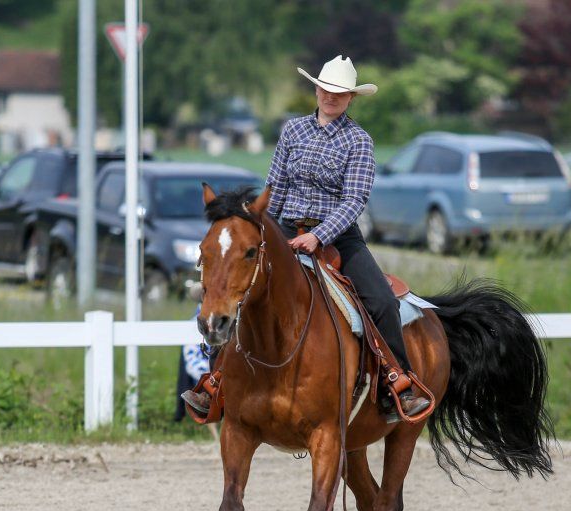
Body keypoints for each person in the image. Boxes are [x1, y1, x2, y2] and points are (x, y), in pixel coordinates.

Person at [183, 55, 430, 422]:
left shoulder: (359, 141)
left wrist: (318, 235)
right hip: (284, 228)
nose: (330, 97)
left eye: (339, 93)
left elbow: (354, 200)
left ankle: (396, 381)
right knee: (239, 287)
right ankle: (216, 381)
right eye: (325, 89)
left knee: (381, 300)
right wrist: (263, 228)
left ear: (350, 98)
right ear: (316, 90)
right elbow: (276, 187)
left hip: (339, 236)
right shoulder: (293, 131)